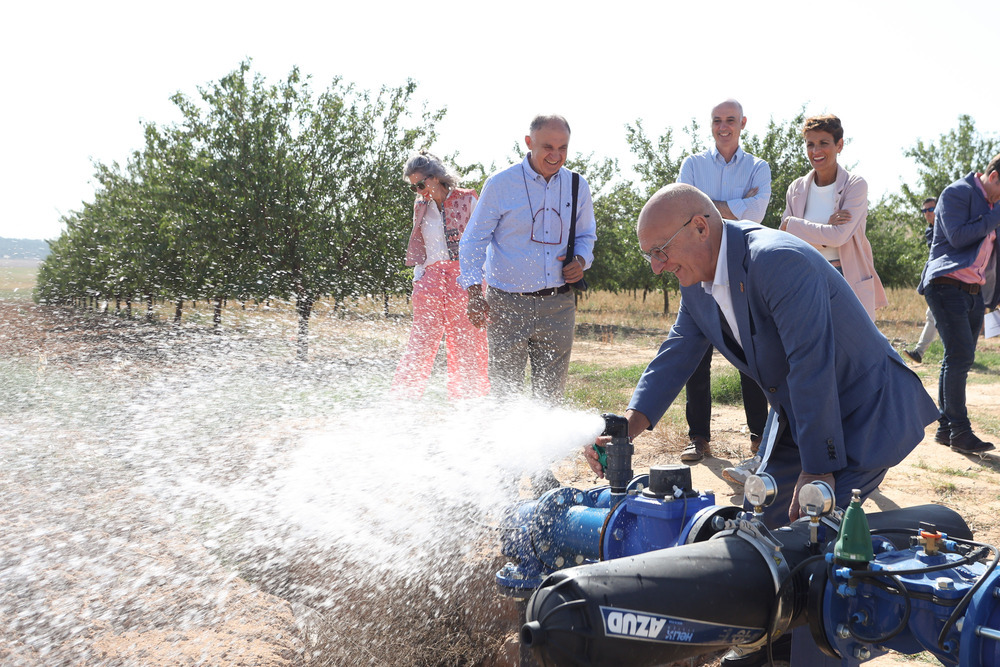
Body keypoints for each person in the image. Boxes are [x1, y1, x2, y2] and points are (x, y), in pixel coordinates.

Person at [585, 184, 937, 531]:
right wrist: (624, 431)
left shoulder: (776, 260)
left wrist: (816, 471)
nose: (656, 268)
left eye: (661, 250)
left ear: (700, 227)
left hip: (865, 412)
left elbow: (810, 364)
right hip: (802, 415)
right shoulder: (694, 282)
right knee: (758, 532)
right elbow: (676, 354)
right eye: (650, 255)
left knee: (815, 537)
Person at [458, 115, 596, 402]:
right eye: (548, 146)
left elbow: (586, 236)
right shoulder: (500, 184)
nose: (556, 155)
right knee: (504, 393)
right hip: (506, 304)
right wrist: (473, 292)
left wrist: (581, 261)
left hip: (559, 304)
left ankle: (543, 448)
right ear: (529, 142)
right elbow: (473, 241)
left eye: (563, 148)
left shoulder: (576, 185)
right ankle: (506, 447)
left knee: (550, 394)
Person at [676, 99, 771, 468]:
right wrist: (734, 205)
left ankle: (760, 437)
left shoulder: (758, 167)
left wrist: (706, 208)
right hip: (698, 268)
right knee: (696, 357)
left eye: (730, 120)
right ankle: (697, 437)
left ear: (743, 123)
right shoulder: (692, 165)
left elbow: (758, 212)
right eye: (717, 120)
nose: (723, 126)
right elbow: (684, 214)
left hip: (741, 268)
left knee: (750, 355)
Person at [917, 153, 1000, 454]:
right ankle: (961, 432)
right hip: (946, 284)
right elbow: (957, 236)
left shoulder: (993, 205)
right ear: (994, 177)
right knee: (960, 358)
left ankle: (945, 428)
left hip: (974, 290)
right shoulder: (956, 193)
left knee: (956, 358)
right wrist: (996, 215)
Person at [390, 151, 489, 400]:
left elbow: (481, 244)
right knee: (419, 345)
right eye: (413, 187)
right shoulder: (420, 206)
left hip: (464, 280)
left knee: (467, 346)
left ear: (436, 177)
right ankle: (403, 402)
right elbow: (422, 245)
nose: (419, 191)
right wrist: (419, 277)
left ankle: (469, 403)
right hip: (430, 281)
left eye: (421, 184)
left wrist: (480, 283)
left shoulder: (468, 199)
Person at [779, 114, 887, 320]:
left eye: (823, 143)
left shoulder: (855, 185)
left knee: (851, 349)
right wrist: (825, 230)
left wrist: (796, 226)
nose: (815, 151)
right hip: (806, 277)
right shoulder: (796, 188)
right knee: (814, 347)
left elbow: (838, 237)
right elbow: (785, 240)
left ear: (839, 145)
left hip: (846, 278)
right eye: (810, 144)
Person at [904, 197, 939, 363]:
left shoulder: (947, 225)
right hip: (937, 278)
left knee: (935, 316)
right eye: (924, 211)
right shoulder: (929, 230)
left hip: (949, 278)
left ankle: (920, 352)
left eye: (930, 209)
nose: (927, 214)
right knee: (936, 316)